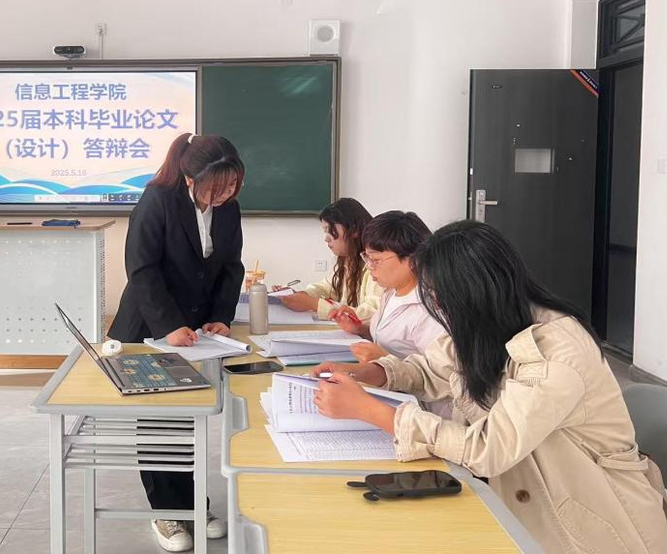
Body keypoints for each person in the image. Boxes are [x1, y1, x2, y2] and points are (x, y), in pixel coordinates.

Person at [312, 221, 667, 553]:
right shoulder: (490, 321)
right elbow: (431, 369)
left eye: (437, 294)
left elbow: (490, 448)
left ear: (472, 291)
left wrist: (374, 412)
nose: (435, 304)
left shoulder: (557, 350)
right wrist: (368, 373)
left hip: (590, 528)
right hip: (521, 502)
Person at [108, 132, 244, 552]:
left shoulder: (229, 207)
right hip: (150, 328)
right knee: (157, 422)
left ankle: (195, 506)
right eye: (216, 188)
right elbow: (142, 269)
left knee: (187, 420)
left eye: (232, 185)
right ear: (190, 178)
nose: (225, 195)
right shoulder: (158, 199)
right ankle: (166, 512)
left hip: (197, 332)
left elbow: (231, 266)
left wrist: (221, 316)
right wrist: (168, 324)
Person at [332, 210, 446, 364]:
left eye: (376, 260)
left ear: (412, 260)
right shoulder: (391, 292)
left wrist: (385, 360)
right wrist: (361, 330)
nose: (369, 266)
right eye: (367, 257)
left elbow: (439, 373)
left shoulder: (429, 310)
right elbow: (390, 342)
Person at [275, 198, 382, 323]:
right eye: (325, 231)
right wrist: (303, 295)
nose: (326, 239)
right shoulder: (347, 261)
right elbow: (328, 287)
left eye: (330, 230)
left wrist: (314, 304)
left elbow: (372, 313)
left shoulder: (375, 265)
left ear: (353, 230)